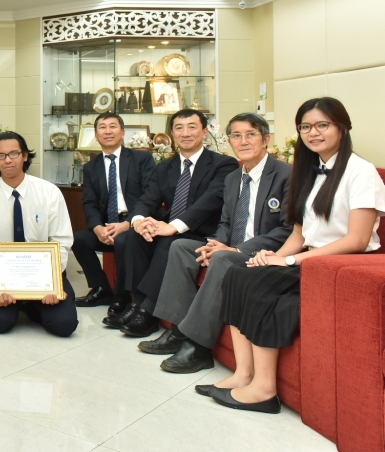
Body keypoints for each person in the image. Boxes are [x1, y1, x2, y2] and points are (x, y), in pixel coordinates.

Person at [208, 98, 384, 414]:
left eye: (322, 125)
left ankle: (264, 390)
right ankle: (244, 374)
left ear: (342, 128)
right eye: (306, 127)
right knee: (238, 273)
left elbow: (357, 240)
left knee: (259, 286)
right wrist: (272, 256)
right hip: (309, 258)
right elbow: (299, 235)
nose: (313, 133)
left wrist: (290, 261)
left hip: (338, 264)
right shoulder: (309, 172)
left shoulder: (361, 171)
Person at [141, 113, 292, 373]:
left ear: (266, 139)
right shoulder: (233, 177)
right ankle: (177, 330)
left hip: (262, 252)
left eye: (251, 134)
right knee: (181, 247)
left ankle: (198, 346)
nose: (243, 141)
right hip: (230, 246)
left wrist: (235, 249)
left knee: (222, 258)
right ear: (228, 140)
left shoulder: (286, 174)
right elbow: (225, 222)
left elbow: (288, 229)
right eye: (236, 135)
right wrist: (216, 243)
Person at [105, 109, 238, 338]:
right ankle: (136, 303)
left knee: (170, 242)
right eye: (179, 128)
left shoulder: (224, 164)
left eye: (192, 127)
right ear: (172, 134)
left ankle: (146, 311)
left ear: (204, 132)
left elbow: (210, 201)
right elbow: (147, 198)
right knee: (132, 236)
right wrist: (139, 221)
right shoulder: (165, 167)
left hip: (203, 232)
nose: (185, 133)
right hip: (171, 228)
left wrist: (173, 226)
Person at [0, 131, 78, 337]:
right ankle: (26, 304)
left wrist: (52, 282)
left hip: (45, 273)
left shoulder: (49, 192)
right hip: (4, 275)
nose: (7, 160)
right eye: (1, 156)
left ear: (25, 156)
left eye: (14, 154)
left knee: (64, 326)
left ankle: (30, 305)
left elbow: (61, 240)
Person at [73, 112, 155, 308]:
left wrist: (128, 223)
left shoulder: (142, 159)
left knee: (123, 241)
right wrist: (97, 228)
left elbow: (150, 195)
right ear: (96, 135)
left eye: (113, 126)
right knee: (78, 239)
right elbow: (89, 202)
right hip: (108, 223)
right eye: (102, 127)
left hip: (136, 223)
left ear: (123, 132)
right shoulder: (91, 167)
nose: (108, 131)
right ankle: (101, 289)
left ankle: (123, 296)